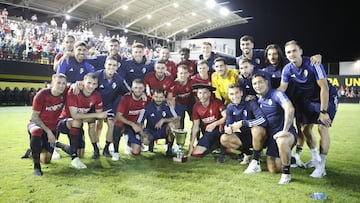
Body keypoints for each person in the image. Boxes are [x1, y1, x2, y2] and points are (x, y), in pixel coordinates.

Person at [278, 40, 338, 178]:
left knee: (322, 127)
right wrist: (268, 95)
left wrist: (323, 112)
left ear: (300, 51)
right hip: (308, 101)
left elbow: (324, 87)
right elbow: (282, 88)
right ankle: (316, 158)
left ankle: (321, 167)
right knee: (305, 129)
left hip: (325, 98)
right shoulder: (287, 69)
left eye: (294, 51)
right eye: (288, 52)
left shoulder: (313, 64)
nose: (291, 54)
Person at [251, 73, 297, 184]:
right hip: (271, 137)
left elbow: (289, 109)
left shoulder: (277, 94)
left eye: (260, 82)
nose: (257, 85)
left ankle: (286, 174)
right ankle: (289, 158)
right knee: (273, 169)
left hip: (286, 134)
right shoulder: (258, 99)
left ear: (266, 82)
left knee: (282, 141)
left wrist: (285, 130)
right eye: (254, 84)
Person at [57, 73, 108, 169]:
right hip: (63, 121)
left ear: (97, 85)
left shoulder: (96, 96)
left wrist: (96, 116)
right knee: (77, 121)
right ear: (83, 82)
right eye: (89, 83)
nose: (91, 86)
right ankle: (74, 158)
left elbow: (100, 116)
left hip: (78, 125)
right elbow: (74, 115)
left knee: (81, 153)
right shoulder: (74, 91)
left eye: (94, 84)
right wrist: (96, 115)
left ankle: (58, 144)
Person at [27, 73, 67, 176]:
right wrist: (48, 131)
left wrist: (77, 84)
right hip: (37, 125)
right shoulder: (41, 95)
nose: (61, 86)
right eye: (58, 83)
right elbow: (34, 117)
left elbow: (77, 86)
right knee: (37, 131)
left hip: (53, 127)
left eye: (63, 83)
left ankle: (32, 152)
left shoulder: (64, 93)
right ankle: (36, 167)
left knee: (46, 160)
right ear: (52, 83)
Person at [219, 84, 267, 165]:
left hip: (260, 137)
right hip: (246, 136)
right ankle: (248, 154)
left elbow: (262, 120)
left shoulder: (250, 103)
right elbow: (228, 123)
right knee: (224, 138)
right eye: (231, 94)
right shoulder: (230, 107)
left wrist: (243, 123)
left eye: (236, 93)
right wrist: (228, 128)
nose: (235, 96)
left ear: (241, 93)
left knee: (256, 129)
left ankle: (255, 160)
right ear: (228, 96)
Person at [94, 56, 128, 157]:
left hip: (108, 105)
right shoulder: (97, 75)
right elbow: (85, 84)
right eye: (109, 64)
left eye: (114, 65)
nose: (111, 67)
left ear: (117, 67)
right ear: (105, 65)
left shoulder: (119, 79)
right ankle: (96, 147)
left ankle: (106, 148)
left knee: (111, 124)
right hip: (95, 105)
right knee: (95, 124)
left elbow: (128, 92)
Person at [113, 79, 152, 160]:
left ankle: (130, 141)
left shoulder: (146, 99)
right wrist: (132, 124)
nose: (138, 90)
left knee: (136, 152)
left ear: (144, 89)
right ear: (132, 89)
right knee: (117, 126)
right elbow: (118, 116)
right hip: (125, 123)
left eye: (140, 88)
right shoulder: (125, 98)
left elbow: (158, 100)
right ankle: (116, 152)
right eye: (136, 88)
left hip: (136, 125)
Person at [188, 84, 226, 159]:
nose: (202, 95)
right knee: (195, 154)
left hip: (220, 131)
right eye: (200, 93)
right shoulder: (196, 107)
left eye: (205, 93)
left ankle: (221, 146)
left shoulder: (217, 102)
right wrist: (191, 144)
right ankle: (215, 147)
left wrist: (214, 124)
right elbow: (195, 126)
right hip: (208, 133)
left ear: (209, 94)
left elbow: (226, 116)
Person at [140, 88, 181, 156]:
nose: (158, 99)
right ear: (152, 97)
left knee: (173, 125)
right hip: (151, 130)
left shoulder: (167, 106)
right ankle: (150, 148)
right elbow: (140, 121)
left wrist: (163, 120)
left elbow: (177, 118)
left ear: (164, 98)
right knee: (145, 138)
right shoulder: (147, 107)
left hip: (164, 130)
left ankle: (169, 149)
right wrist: (143, 133)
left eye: (161, 97)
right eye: (156, 97)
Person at [167, 64, 195, 129]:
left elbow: (196, 97)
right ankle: (179, 136)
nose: (183, 75)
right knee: (178, 122)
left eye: (185, 73)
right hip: (179, 104)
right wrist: (174, 114)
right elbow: (172, 99)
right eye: (181, 73)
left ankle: (197, 137)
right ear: (177, 74)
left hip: (190, 103)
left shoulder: (192, 82)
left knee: (196, 121)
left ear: (188, 74)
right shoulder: (174, 85)